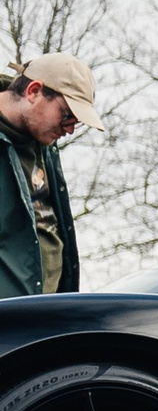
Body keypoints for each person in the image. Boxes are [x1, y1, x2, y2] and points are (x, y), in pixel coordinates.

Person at [0, 53, 99, 297]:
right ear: (33, 91)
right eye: (66, 115)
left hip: (41, 316)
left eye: (77, 121)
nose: (70, 128)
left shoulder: (44, 146)